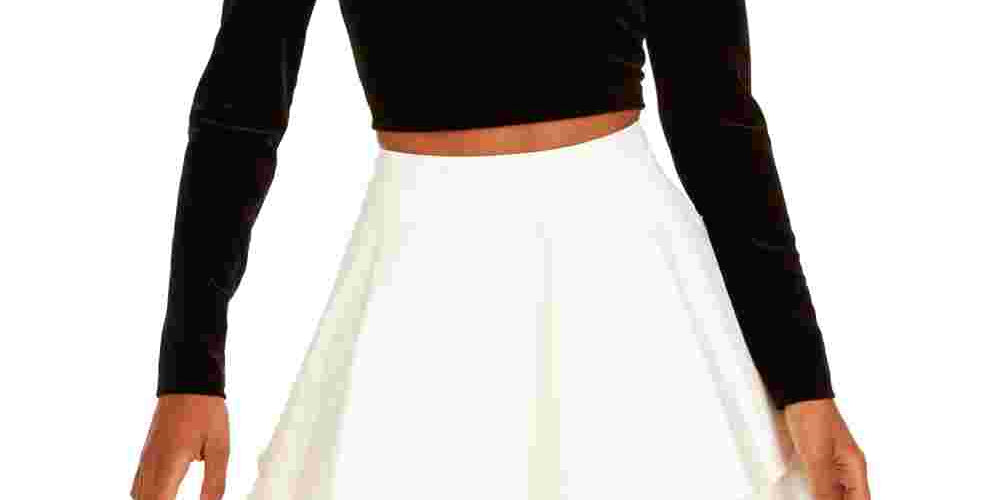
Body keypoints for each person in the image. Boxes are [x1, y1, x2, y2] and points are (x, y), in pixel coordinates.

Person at [131, 1, 870, 499]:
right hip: (420, 284)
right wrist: (190, 371)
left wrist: (806, 384)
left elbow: (716, 118)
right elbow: (242, 111)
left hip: (628, 285)